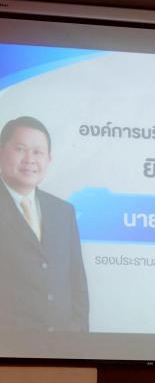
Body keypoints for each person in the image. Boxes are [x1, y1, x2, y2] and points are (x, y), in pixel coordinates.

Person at [0, 116, 89, 332]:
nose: (30, 159)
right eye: (20, 149)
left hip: (62, 343)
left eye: (38, 152)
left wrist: (79, 335)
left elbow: (77, 282)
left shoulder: (63, 211)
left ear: (49, 159)